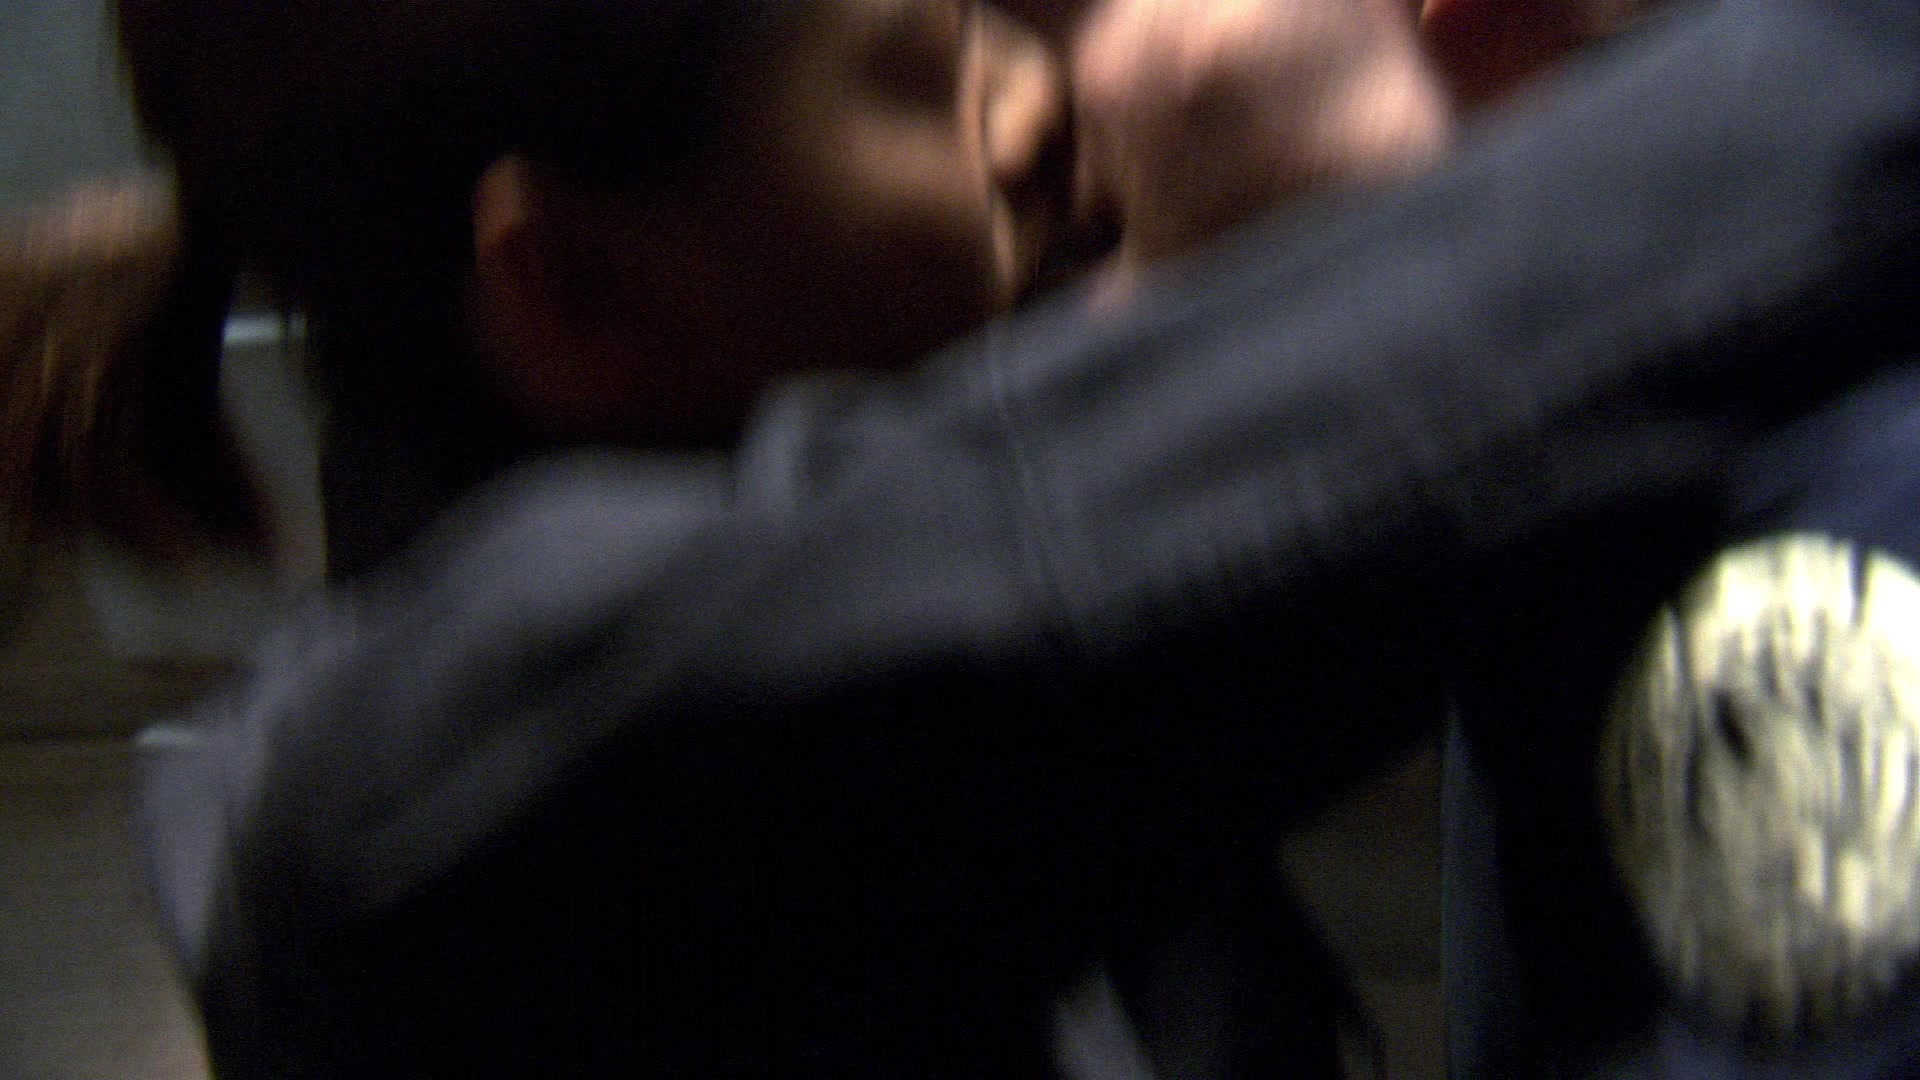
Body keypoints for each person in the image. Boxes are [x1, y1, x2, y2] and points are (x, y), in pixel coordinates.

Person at [7, 0, 1909, 1075]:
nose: (1038, 95)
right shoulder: (411, 816)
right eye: (928, 67)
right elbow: (1036, 549)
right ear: (578, 286)